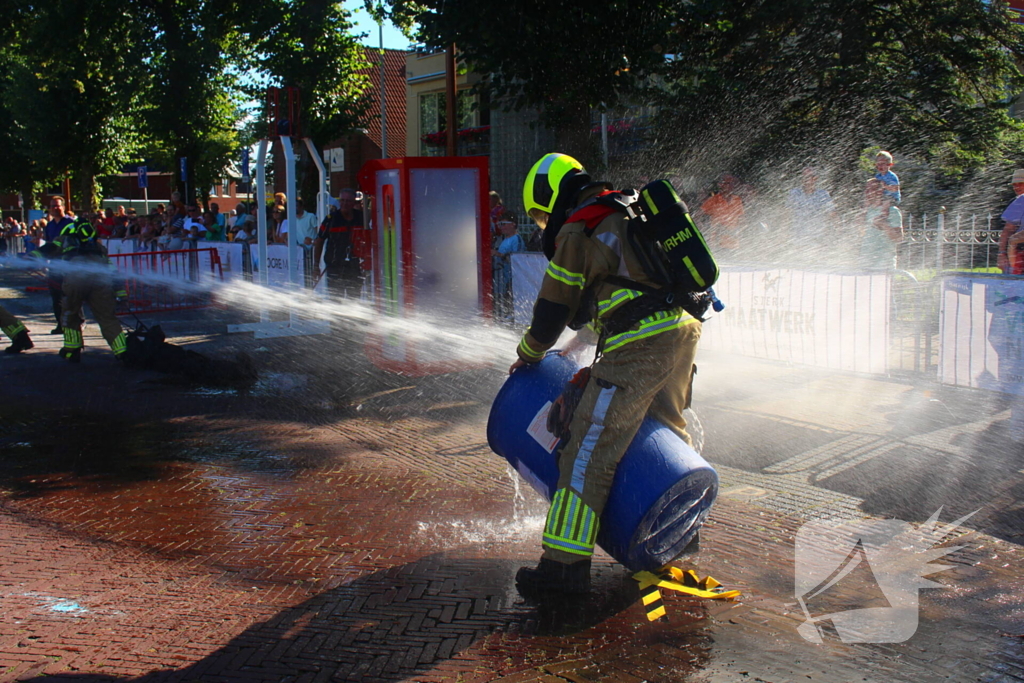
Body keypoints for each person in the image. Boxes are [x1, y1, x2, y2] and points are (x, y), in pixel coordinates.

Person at [510, 153, 702, 595]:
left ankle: (562, 571)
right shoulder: (625, 208)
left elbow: (553, 308)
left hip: (642, 344)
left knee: (586, 451)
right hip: (681, 329)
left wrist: (529, 352)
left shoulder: (581, 225)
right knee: (665, 433)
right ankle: (678, 536)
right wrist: (580, 344)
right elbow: (631, 293)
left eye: (541, 216)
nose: (544, 226)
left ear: (550, 193)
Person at [30, 217, 128, 363]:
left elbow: (48, 249)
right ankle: (122, 352)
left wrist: (30, 257)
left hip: (75, 281)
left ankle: (72, 350)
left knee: (70, 315)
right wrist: (121, 293)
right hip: (101, 282)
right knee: (108, 318)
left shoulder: (65, 240)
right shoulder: (99, 248)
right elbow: (112, 271)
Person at [314, 189, 364, 299]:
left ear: (353, 202)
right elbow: (319, 241)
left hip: (354, 267)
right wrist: (316, 265)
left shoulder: (362, 218)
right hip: (334, 266)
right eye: (342, 200)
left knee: (354, 299)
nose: (345, 204)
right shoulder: (330, 219)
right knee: (336, 300)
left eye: (348, 201)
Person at [786, 166, 838, 259]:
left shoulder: (823, 194)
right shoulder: (794, 193)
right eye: (804, 177)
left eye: (809, 176)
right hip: (798, 234)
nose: (806, 179)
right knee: (799, 262)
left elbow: (832, 213)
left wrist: (836, 229)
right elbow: (787, 213)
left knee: (815, 262)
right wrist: (784, 230)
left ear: (815, 178)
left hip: (817, 235)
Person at [42, 196, 75, 334]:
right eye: (52, 206)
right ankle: (60, 324)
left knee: (72, 295)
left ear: (63, 207)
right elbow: (49, 245)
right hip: (54, 266)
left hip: (69, 265)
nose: (55, 208)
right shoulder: (50, 225)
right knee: (56, 296)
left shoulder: (71, 223)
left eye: (57, 206)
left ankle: (78, 321)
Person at [859, 179, 903, 268]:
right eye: (866, 189)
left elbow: (898, 238)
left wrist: (884, 225)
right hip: (866, 262)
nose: (867, 192)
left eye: (871, 189)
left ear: (880, 191)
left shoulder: (892, 211)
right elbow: (860, 235)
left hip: (884, 263)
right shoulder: (867, 211)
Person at [699, 174, 744, 260]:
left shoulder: (737, 200)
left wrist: (739, 232)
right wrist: (701, 226)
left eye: (732, 183)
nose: (731, 186)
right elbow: (698, 215)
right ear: (720, 185)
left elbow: (741, 219)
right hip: (718, 244)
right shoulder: (713, 200)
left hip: (734, 244)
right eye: (728, 183)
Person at [491, 213, 524, 321]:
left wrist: (497, 254)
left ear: (513, 225)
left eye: (504, 224)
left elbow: (517, 258)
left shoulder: (516, 239)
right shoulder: (505, 239)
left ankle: (512, 318)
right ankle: (506, 316)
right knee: (504, 297)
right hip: (504, 277)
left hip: (513, 278)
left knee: (512, 298)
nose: (501, 227)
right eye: (500, 224)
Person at [997, 169, 1024, 274]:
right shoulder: (1020, 201)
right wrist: (1001, 254)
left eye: (1021, 184)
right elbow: (1008, 230)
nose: (1016, 187)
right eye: (1014, 185)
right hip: (1019, 256)